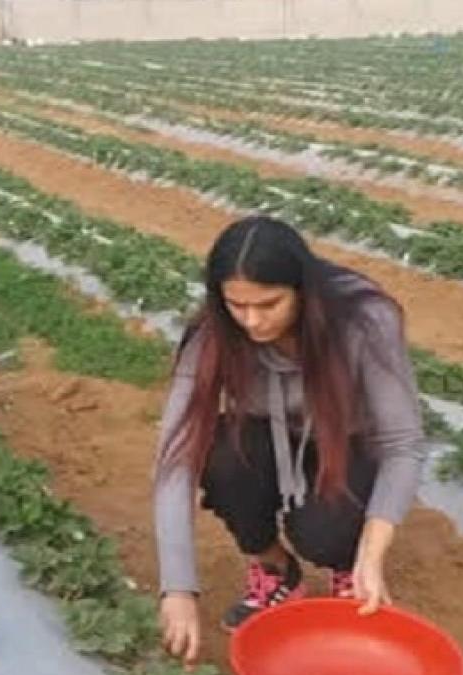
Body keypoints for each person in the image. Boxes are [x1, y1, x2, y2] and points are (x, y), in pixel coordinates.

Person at [153, 216, 426, 666]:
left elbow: (403, 444)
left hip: (347, 443)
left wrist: (372, 555)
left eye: (269, 304)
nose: (252, 320)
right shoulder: (214, 335)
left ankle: (349, 568)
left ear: (302, 290)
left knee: (322, 533)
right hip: (270, 438)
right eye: (237, 305)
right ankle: (275, 568)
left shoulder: (363, 320)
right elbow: (175, 457)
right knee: (222, 459)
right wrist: (178, 589)